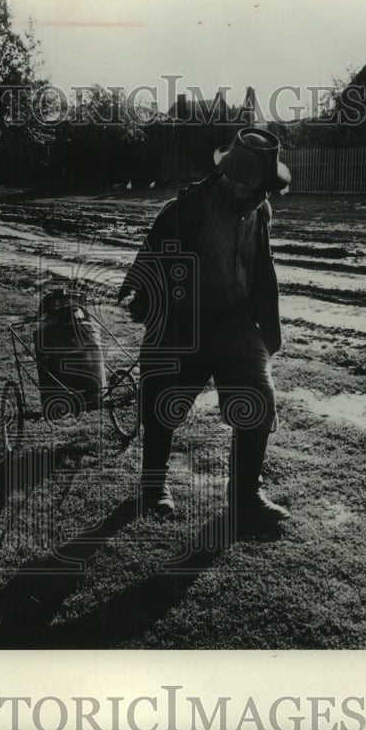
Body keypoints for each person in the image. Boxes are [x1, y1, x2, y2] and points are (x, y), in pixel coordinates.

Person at [118, 127, 291, 537]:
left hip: (236, 324)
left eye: (264, 190)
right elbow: (152, 257)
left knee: (258, 403)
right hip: (184, 324)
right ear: (229, 178)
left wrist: (268, 328)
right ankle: (154, 485)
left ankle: (246, 499)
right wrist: (145, 301)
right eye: (251, 188)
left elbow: (260, 266)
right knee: (163, 403)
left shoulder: (260, 210)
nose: (258, 197)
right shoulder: (186, 209)